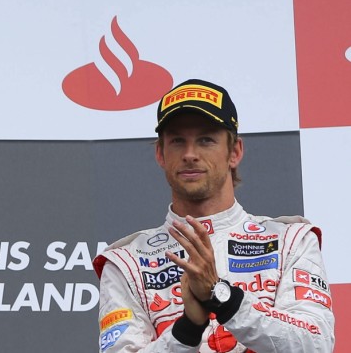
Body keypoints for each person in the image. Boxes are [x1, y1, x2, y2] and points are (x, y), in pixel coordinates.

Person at [94, 79, 334, 352]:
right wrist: (188, 329)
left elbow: (316, 344)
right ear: (160, 154)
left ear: (234, 152)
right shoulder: (127, 263)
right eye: (177, 141)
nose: (190, 154)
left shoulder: (291, 242)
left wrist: (225, 299)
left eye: (206, 140)